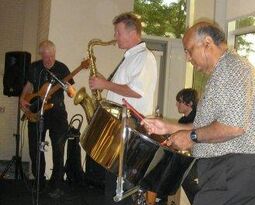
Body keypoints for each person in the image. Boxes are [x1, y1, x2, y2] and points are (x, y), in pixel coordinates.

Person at [142, 21, 255, 205]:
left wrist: (191, 137)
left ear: (207, 43)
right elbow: (209, 126)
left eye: (189, 50)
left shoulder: (233, 69)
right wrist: (167, 126)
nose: (187, 57)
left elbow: (233, 127)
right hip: (229, 168)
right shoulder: (222, 72)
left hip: (234, 168)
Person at [89, 12, 157, 204]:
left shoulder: (144, 57)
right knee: (113, 185)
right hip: (122, 126)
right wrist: (104, 83)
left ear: (133, 32)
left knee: (122, 188)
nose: (114, 37)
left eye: (118, 32)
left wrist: (105, 85)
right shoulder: (131, 58)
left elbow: (136, 92)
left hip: (131, 127)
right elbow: (123, 90)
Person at [20, 40, 75, 198]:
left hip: (58, 115)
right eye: (45, 57)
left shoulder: (62, 68)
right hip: (38, 112)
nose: (49, 60)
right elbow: (29, 86)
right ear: (41, 55)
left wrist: (68, 88)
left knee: (58, 151)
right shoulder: (35, 67)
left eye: (51, 56)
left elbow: (72, 93)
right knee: (35, 149)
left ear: (55, 54)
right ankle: (39, 182)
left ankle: (56, 185)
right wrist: (23, 99)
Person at [143, 88, 199, 205]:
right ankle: (158, 197)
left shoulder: (196, 120)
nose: (176, 104)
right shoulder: (183, 120)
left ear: (189, 104)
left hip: (195, 161)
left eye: (179, 101)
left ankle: (157, 198)